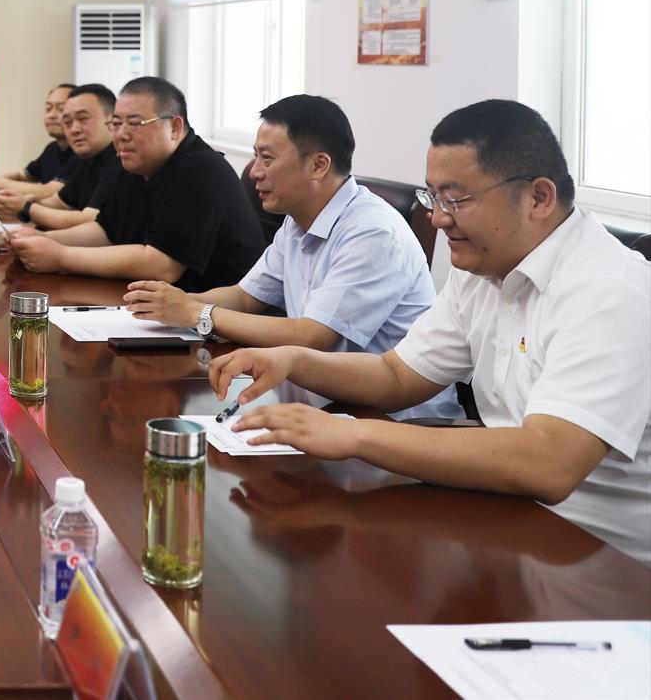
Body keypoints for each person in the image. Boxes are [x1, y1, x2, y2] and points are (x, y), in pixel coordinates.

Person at [210, 100, 651, 565]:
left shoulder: (607, 291)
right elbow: (397, 375)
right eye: (432, 197)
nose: (438, 218)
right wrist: (294, 360)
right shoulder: (483, 267)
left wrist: (353, 434)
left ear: (538, 198)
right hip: (503, 521)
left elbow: (549, 462)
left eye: (456, 200)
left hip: (598, 563)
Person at [125, 94, 458, 419]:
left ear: (318, 165)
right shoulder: (297, 221)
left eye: (267, 159)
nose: (254, 172)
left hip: (389, 417)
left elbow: (313, 336)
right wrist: (170, 304)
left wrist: (197, 313)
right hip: (317, 400)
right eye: (255, 156)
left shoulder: (373, 232)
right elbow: (245, 297)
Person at [8, 76, 265, 289]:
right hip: (161, 305)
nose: (121, 134)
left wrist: (60, 256)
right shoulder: (135, 163)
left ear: (175, 127)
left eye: (134, 123)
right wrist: (43, 239)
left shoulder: (200, 169)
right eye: (116, 123)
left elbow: (161, 265)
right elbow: (106, 231)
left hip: (218, 317)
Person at [0, 84, 120, 231]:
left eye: (83, 119)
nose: (74, 129)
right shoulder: (89, 160)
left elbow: (90, 219)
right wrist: (22, 202)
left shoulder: (120, 160)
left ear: (112, 121)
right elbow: (59, 202)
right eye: (67, 123)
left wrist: (25, 208)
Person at [0, 81, 78, 198]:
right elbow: (21, 176)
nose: (51, 115)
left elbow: (49, 192)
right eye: (48, 109)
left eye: (61, 109)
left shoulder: (80, 152)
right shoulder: (52, 148)